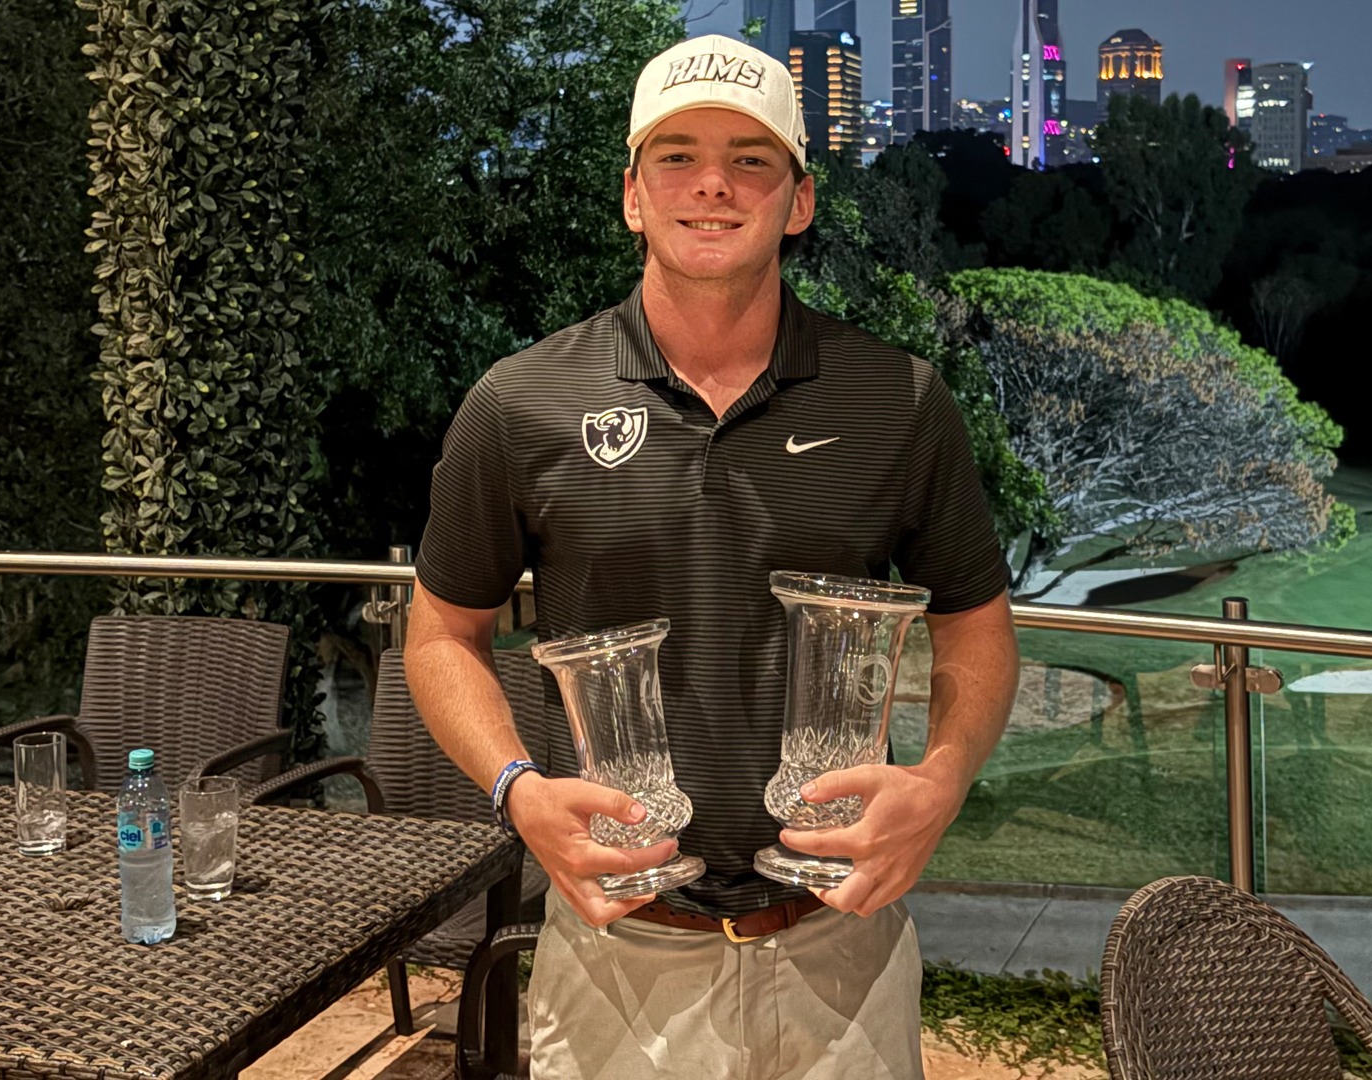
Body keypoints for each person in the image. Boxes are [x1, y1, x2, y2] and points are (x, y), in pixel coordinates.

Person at [404, 33, 1018, 1080]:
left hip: (843, 956)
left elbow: (977, 626)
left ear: (801, 199)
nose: (714, 186)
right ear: (634, 195)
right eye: (678, 156)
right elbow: (439, 634)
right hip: (620, 960)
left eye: (752, 159)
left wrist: (946, 780)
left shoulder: (896, 399)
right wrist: (515, 788)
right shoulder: (522, 403)